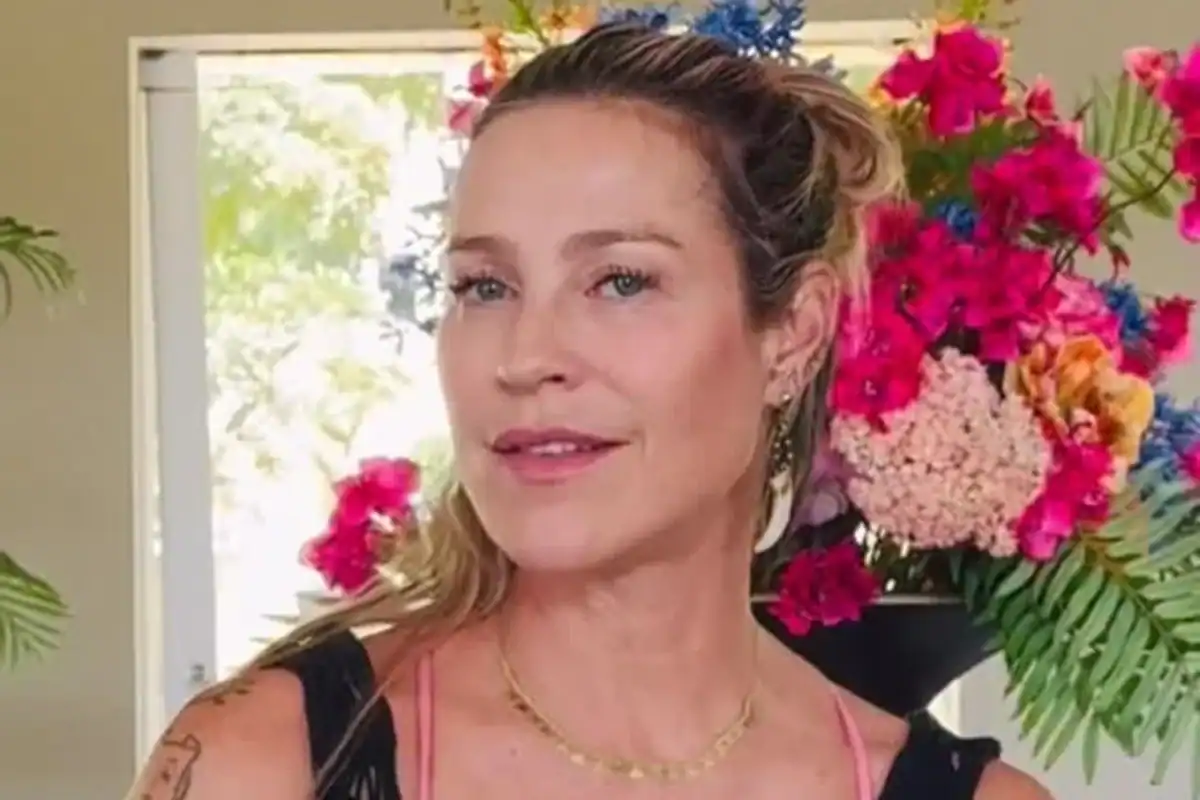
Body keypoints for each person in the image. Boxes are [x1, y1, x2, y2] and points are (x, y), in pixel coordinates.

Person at [128, 22, 1055, 800]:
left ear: (792, 333)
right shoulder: (265, 765)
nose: (526, 356)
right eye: (485, 286)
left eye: (620, 281)